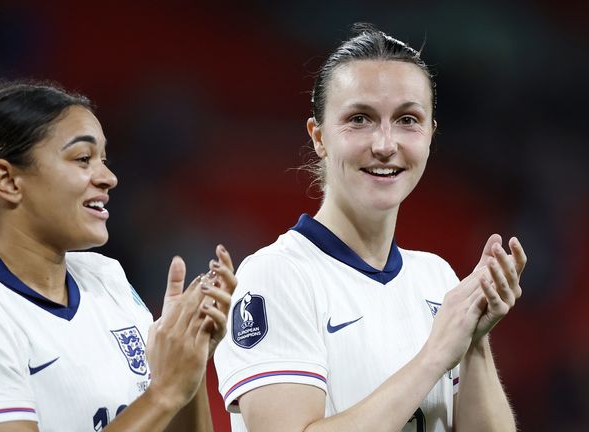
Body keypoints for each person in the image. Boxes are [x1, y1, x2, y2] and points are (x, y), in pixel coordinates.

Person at [214, 23, 527, 432]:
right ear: (319, 136)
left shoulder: (437, 280)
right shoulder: (276, 276)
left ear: (431, 135)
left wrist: (474, 344)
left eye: (407, 120)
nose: (384, 144)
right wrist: (433, 356)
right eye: (360, 119)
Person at [0, 82, 237, 432]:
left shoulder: (107, 280)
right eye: (83, 159)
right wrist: (163, 393)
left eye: (104, 159)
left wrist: (186, 365)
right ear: (7, 180)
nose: (109, 178)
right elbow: (162, 397)